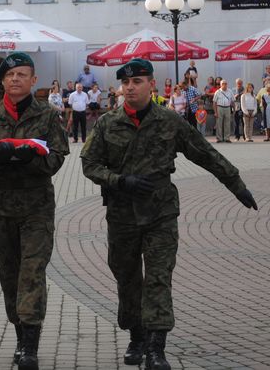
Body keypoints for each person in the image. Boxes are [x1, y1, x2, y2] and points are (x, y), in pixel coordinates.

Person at [80, 58, 257, 370]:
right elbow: (89, 164)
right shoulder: (108, 123)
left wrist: (236, 184)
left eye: (137, 82)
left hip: (160, 211)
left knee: (159, 278)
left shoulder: (169, 121)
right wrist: (119, 180)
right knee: (127, 277)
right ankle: (137, 335)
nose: (130, 88)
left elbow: (205, 153)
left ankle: (156, 348)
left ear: (151, 85)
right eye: (126, 83)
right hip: (122, 215)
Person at [0, 52, 69, 370]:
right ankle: (19, 332)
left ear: (33, 80)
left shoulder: (49, 116)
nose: (15, 80)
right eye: (10, 75)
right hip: (1, 210)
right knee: (9, 275)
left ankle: (29, 345)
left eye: (22, 75)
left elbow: (57, 158)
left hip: (37, 209)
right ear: (4, 80)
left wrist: (32, 157)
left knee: (32, 273)